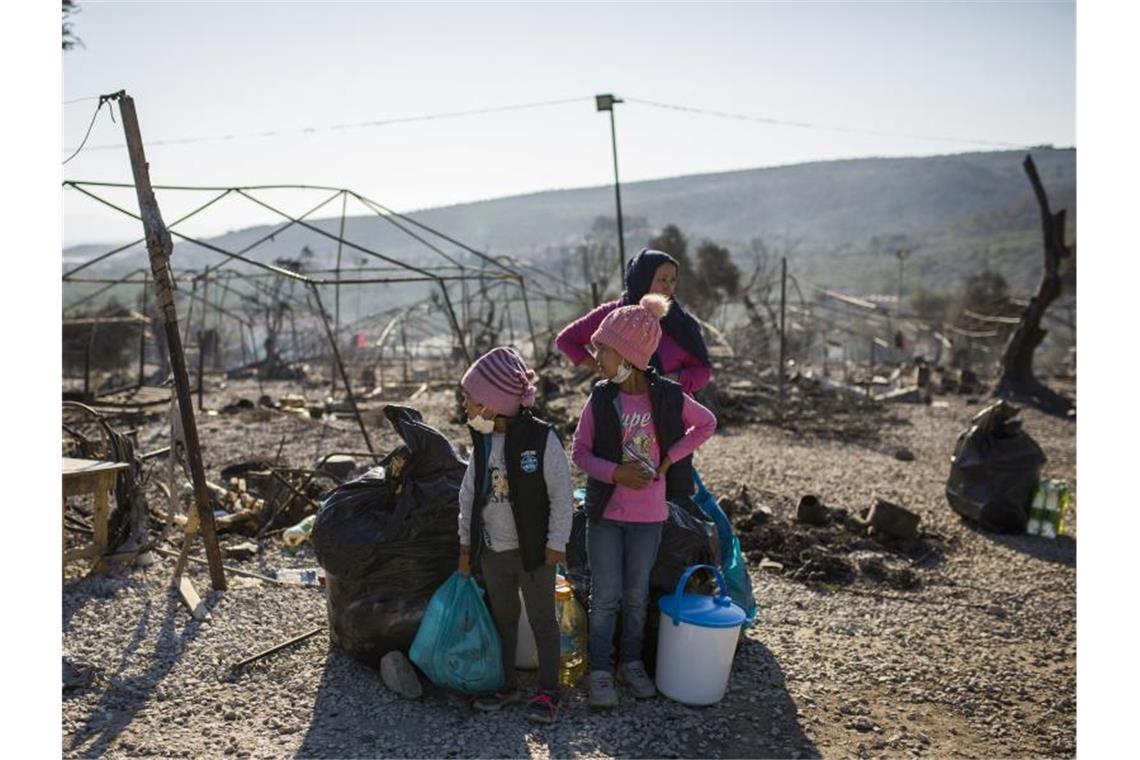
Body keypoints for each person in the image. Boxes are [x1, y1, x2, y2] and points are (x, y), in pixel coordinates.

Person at [570, 295, 718, 708]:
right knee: (605, 596)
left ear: (629, 355)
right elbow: (579, 453)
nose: (596, 358)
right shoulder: (600, 399)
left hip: (648, 517)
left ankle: (630, 664)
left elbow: (706, 423)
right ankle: (601, 669)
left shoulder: (668, 398)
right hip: (605, 516)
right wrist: (615, 473)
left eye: (603, 350)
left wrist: (669, 458)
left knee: (636, 597)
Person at [456, 346, 574, 724]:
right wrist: (466, 545)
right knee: (502, 618)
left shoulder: (541, 440)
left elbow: (561, 495)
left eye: (471, 401)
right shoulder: (483, 440)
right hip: (493, 552)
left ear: (493, 404)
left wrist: (557, 543)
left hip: (535, 554)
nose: (466, 409)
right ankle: (506, 684)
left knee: (543, 621)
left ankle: (548, 691)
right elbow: (469, 494)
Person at [555, 248, 712, 395]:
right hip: (623, 412)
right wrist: (604, 368)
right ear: (642, 278)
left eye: (672, 280)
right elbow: (566, 340)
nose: (668, 287)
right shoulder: (615, 315)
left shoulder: (682, 324)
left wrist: (672, 380)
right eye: (662, 279)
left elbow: (703, 370)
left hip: (671, 411)